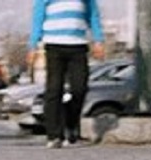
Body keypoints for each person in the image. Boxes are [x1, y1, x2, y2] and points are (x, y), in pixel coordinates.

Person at [28, 0, 106, 149]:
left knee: (79, 88)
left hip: (78, 45)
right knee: (54, 90)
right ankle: (54, 135)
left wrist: (98, 40)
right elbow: (38, 17)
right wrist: (33, 45)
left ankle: (70, 123)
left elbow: (93, 15)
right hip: (53, 45)